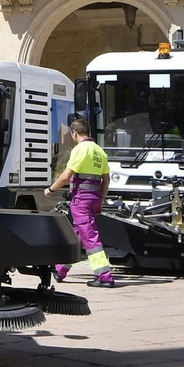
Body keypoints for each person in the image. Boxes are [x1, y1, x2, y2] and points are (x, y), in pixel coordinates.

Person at [47, 116, 115, 288]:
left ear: (75, 133)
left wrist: (51, 189)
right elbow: (106, 181)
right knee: (77, 234)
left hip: (81, 200)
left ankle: (105, 277)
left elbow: (66, 176)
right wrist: (100, 201)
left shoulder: (80, 149)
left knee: (90, 237)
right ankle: (60, 269)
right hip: (94, 199)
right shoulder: (100, 151)